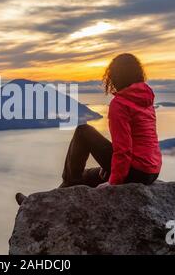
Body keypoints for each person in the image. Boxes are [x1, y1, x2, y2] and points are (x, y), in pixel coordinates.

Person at [15, 53, 162, 205]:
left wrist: (114, 183)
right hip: (151, 171)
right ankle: (40, 201)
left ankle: (39, 203)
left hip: (134, 171)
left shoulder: (120, 103)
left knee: (83, 131)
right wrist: (110, 167)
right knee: (86, 176)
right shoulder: (146, 98)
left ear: (115, 76)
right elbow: (142, 141)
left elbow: (123, 150)